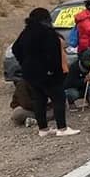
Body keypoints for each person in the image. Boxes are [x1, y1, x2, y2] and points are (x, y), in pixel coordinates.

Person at [11, 8, 80, 137]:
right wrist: (54, 71)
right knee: (58, 98)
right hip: (48, 73)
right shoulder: (48, 33)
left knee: (39, 100)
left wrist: (24, 63)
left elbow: (16, 49)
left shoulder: (25, 32)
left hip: (30, 73)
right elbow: (53, 55)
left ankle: (43, 129)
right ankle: (62, 128)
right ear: (46, 19)